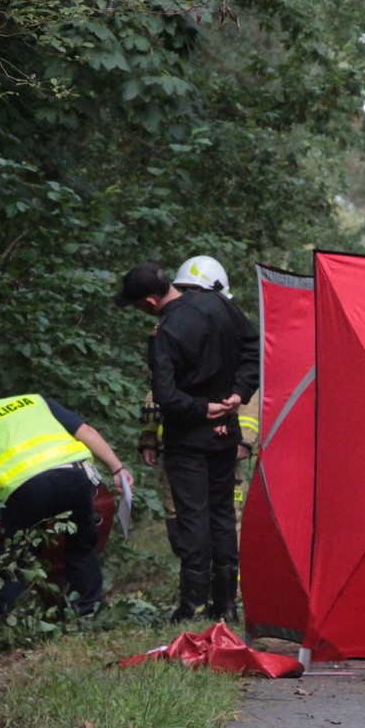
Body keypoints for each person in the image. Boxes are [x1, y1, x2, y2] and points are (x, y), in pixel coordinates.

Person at [115, 261, 259, 622]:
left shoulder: (164, 333)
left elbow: (165, 396)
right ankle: (226, 605)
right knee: (223, 515)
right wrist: (238, 395)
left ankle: (191, 605)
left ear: (149, 300)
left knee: (193, 518)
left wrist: (201, 408)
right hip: (226, 431)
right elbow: (255, 349)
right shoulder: (219, 303)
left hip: (188, 440)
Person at [0, 382, 133, 616]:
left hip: (27, 490)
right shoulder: (34, 401)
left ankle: (10, 620)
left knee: (15, 558)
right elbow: (87, 432)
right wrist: (117, 469)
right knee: (81, 546)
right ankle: (89, 611)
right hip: (73, 477)